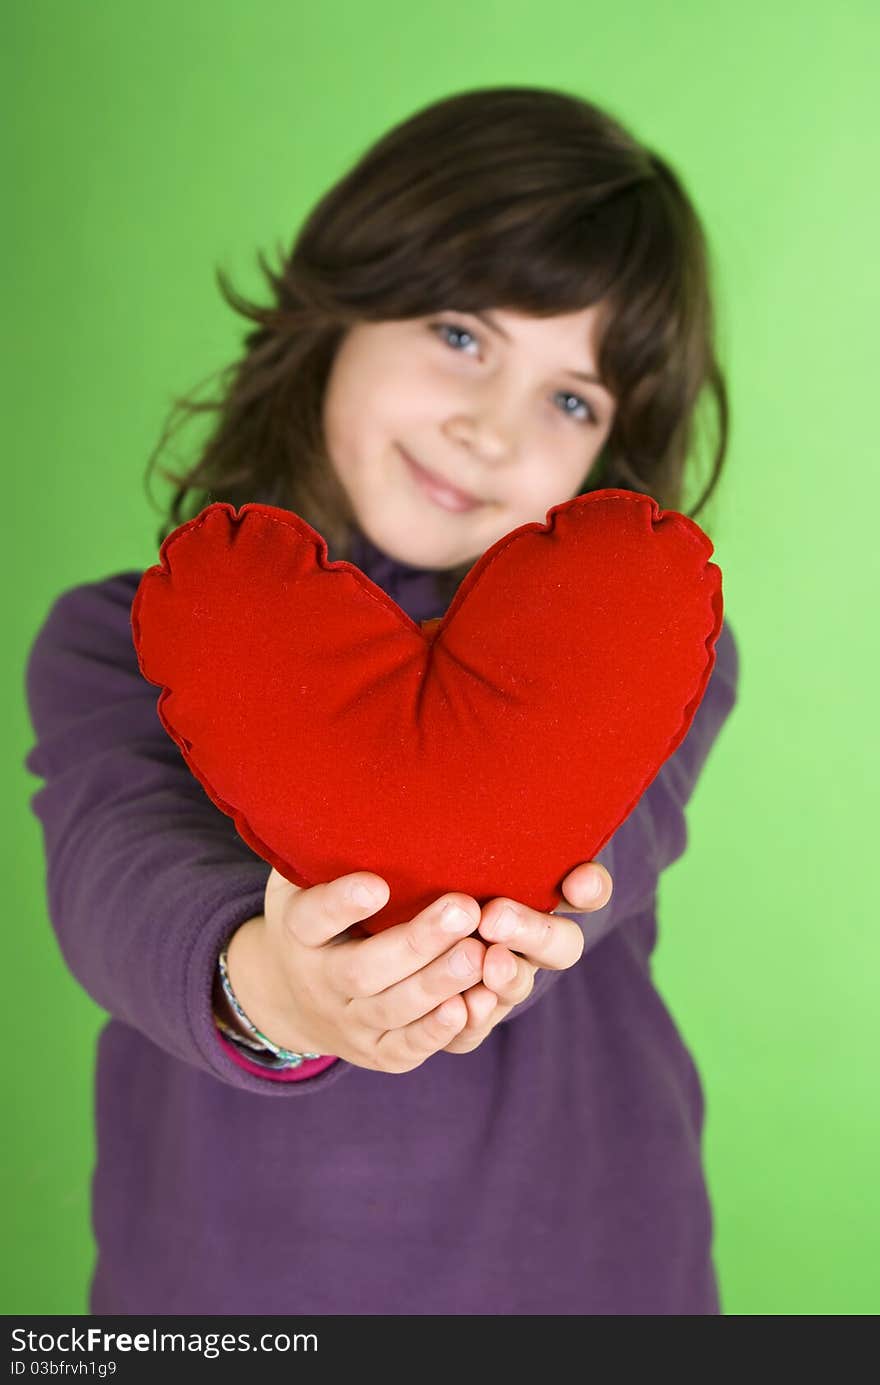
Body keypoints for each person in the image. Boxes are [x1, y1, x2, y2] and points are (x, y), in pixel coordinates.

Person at [23, 85, 739, 1315]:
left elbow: (615, 820)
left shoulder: (653, 648)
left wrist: (490, 942)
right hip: (221, 1290)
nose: (489, 428)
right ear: (341, 303)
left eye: (571, 399)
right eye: (462, 334)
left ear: (610, 458)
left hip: (593, 1275)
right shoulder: (122, 635)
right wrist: (271, 985)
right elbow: (114, 859)